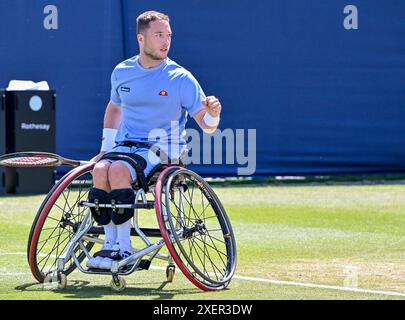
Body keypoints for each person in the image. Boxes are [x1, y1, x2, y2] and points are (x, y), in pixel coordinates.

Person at [86, 10, 222, 269]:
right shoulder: (122, 71)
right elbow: (115, 109)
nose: (165, 41)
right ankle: (109, 245)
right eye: (159, 35)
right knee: (101, 169)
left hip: (165, 150)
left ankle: (123, 248)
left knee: (116, 171)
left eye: (168, 35)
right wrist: (104, 149)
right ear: (141, 38)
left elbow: (207, 125)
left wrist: (213, 115)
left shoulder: (181, 78)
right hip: (126, 147)